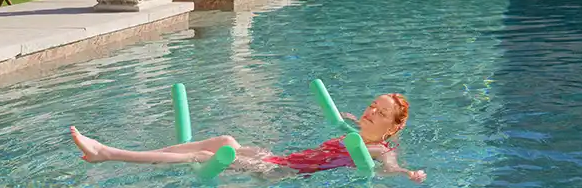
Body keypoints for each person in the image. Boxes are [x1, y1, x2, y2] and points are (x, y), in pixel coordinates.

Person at [70, 93, 426, 183]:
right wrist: (348, 118)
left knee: (208, 157)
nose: (370, 112)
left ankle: (109, 153)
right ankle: (147, 153)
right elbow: (346, 127)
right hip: (282, 158)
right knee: (225, 138)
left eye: (380, 113)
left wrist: (407, 174)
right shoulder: (355, 132)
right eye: (371, 105)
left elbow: (390, 166)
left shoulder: (380, 148)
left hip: (283, 173)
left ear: (393, 127)